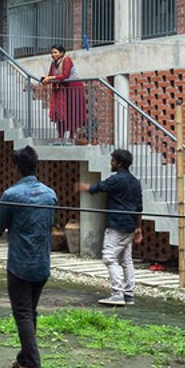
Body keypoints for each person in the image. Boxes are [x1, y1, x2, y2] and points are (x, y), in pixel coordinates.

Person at [0, 145, 58, 368]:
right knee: (30, 312)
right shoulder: (50, 194)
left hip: (20, 265)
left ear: (16, 168)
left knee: (23, 314)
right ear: (36, 165)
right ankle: (24, 358)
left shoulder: (11, 195)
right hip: (42, 264)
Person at [81, 148, 142, 307]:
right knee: (126, 260)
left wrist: (84, 187)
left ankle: (117, 294)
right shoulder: (135, 182)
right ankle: (129, 294)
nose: (111, 163)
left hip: (117, 225)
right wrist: (138, 227)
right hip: (130, 225)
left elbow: (97, 188)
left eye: (113, 160)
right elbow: (139, 207)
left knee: (109, 257)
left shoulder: (116, 180)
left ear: (119, 163)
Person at [40, 45, 87, 143]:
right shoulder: (53, 63)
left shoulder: (67, 60)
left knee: (72, 111)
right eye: (52, 53)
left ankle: (71, 136)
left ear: (61, 53)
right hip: (60, 90)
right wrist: (46, 79)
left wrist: (50, 78)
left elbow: (65, 75)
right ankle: (60, 136)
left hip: (72, 88)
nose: (53, 55)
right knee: (60, 112)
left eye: (55, 52)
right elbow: (51, 75)